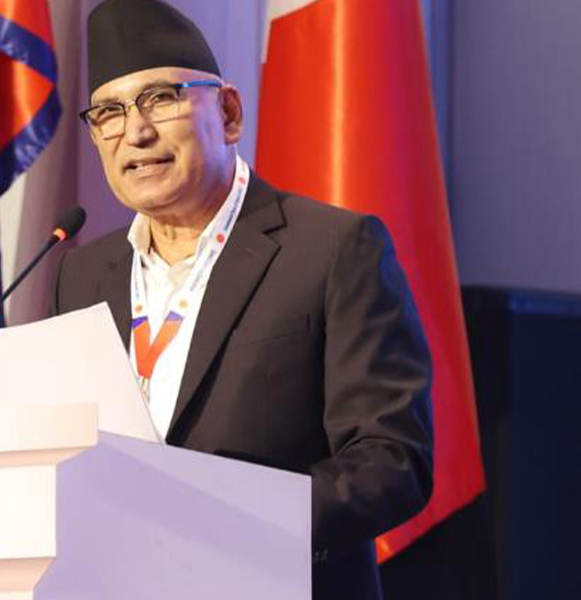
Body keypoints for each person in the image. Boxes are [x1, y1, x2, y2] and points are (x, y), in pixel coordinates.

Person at [53, 1, 434, 598]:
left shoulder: (332, 249)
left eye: (160, 98)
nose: (136, 132)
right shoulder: (81, 274)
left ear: (228, 113)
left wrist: (233, 522)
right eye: (109, 112)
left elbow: (392, 461)